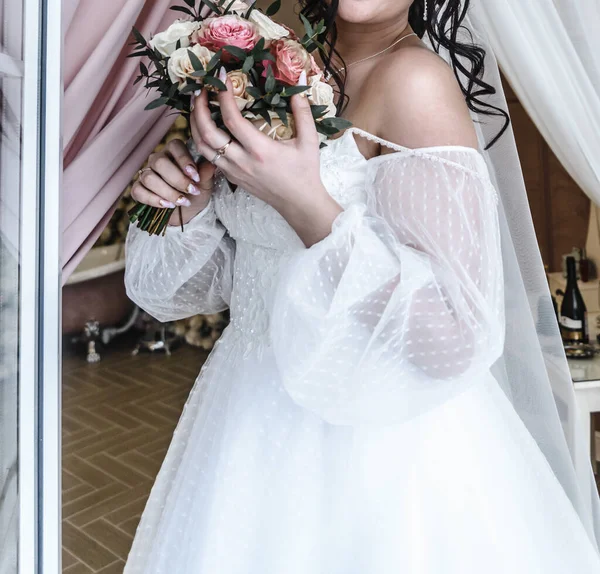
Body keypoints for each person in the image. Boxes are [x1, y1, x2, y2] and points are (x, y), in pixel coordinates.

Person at [123, 0, 600, 571]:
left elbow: (452, 338)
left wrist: (308, 207)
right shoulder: (268, 65)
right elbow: (199, 290)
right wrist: (187, 206)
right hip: (245, 420)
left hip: (381, 448)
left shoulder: (414, 83)